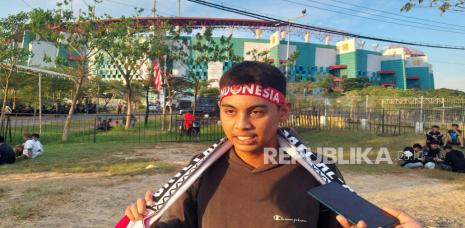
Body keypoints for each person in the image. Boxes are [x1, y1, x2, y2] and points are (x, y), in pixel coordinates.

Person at [124, 61, 420, 228]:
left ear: (283, 112)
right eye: (230, 112)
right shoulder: (201, 171)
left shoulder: (319, 173)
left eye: (257, 111)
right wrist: (144, 220)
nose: (241, 125)